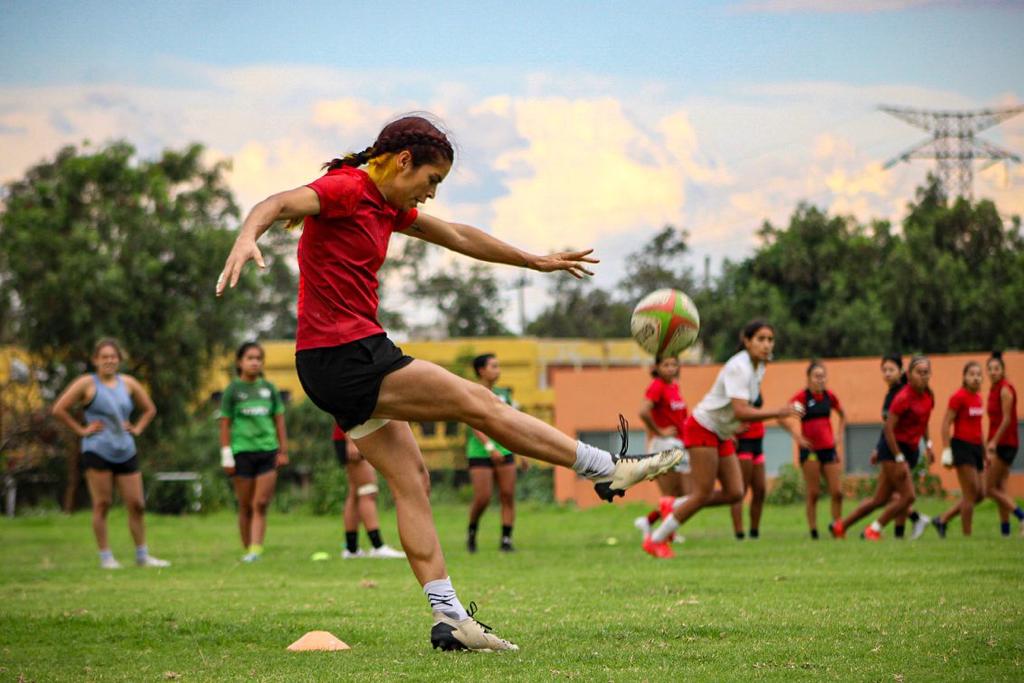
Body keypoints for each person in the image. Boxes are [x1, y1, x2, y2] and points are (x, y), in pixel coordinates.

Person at [215, 114, 682, 652]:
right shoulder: (347, 188)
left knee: (413, 479)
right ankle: (607, 469)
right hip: (346, 355)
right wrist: (247, 236)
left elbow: (457, 235)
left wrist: (533, 260)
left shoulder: (388, 206)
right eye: (431, 180)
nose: (432, 195)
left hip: (333, 361)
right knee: (477, 402)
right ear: (404, 161)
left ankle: (450, 620)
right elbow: (274, 204)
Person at [643, 320, 798, 559]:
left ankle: (673, 505)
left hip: (721, 432)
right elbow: (740, 411)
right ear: (746, 341)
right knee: (702, 493)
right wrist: (779, 412)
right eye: (760, 339)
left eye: (770, 339)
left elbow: (738, 410)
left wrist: (733, 428)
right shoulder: (739, 367)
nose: (766, 345)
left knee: (735, 492)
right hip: (703, 427)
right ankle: (656, 539)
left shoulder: (760, 366)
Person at [51, 339, 169, 569]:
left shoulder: (128, 383)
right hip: (97, 450)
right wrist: (82, 430)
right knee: (102, 503)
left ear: (119, 360)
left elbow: (150, 409)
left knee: (137, 504)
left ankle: (142, 555)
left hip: (125, 449)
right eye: (104, 356)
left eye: (113, 356)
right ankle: (106, 557)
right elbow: (59, 409)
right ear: (95, 360)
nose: (109, 360)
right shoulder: (86, 383)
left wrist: (137, 428)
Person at [835, 356, 935, 541]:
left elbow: (924, 422)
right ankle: (873, 530)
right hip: (893, 450)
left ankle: (841, 526)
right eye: (918, 372)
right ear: (909, 375)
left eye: (926, 372)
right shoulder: (902, 397)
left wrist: (929, 445)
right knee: (908, 497)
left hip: (909, 450)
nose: (922, 376)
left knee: (880, 499)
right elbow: (888, 428)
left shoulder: (929, 396)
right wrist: (898, 457)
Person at [219, 342, 289, 562]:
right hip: (242, 453)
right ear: (240, 362)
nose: (255, 362)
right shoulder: (233, 390)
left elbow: (279, 421)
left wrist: (283, 451)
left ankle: (256, 550)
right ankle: (247, 547)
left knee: (260, 503)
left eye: (258, 358)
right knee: (245, 505)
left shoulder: (269, 389)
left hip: (268, 451)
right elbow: (225, 425)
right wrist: (226, 455)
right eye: (250, 358)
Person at [465, 354, 521, 553]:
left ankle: (506, 540)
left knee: (507, 495)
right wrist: (490, 448)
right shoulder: (472, 392)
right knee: (483, 497)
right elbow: (474, 423)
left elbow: (514, 424)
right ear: (481, 370)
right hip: (480, 452)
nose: (498, 370)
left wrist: (521, 453)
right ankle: (472, 531)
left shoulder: (503, 394)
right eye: (494, 366)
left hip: (505, 450)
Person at [634, 354, 690, 540]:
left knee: (681, 494)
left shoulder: (674, 386)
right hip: (664, 445)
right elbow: (643, 412)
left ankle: (649, 522)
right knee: (670, 494)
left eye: (674, 364)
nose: (671, 368)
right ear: (657, 367)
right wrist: (660, 431)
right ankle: (668, 535)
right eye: (666, 365)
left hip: (679, 444)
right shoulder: (657, 386)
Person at [789, 361, 846, 540]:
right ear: (808, 379)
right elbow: (784, 415)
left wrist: (839, 435)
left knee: (837, 492)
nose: (820, 380)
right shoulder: (802, 398)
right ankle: (814, 531)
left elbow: (843, 415)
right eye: (816, 376)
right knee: (813, 493)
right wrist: (797, 438)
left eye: (823, 376)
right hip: (810, 451)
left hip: (828, 449)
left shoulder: (830, 397)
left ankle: (837, 528)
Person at [333, 425, 406, 558]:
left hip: (349, 436)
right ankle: (377, 546)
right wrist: (351, 441)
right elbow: (344, 408)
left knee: (355, 493)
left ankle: (351, 549)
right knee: (368, 490)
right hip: (352, 437)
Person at [932, 361, 986, 537]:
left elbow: (979, 428)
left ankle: (943, 519)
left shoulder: (978, 398)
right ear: (964, 377)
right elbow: (946, 424)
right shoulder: (958, 397)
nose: (976, 378)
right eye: (972, 374)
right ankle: (967, 536)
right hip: (962, 447)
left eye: (979, 374)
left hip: (977, 448)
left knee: (981, 493)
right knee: (970, 493)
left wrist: (985, 453)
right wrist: (947, 450)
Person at [983, 351, 1024, 536]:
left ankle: (1021, 515)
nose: (993, 372)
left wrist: (994, 442)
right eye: (990, 369)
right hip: (996, 442)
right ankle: (1005, 532)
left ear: (1003, 370)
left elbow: (1007, 419)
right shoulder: (993, 389)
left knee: (988, 488)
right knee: (1000, 488)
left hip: (1006, 443)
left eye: (996, 368)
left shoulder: (1005, 389)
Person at [729, 396, 766, 540]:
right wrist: (731, 430)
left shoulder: (755, 383)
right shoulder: (737, 386)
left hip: (758, 443)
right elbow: (725, 410)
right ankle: (739, 533)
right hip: (744, 443)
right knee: (740, 490)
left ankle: (754, 532)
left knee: (760, 490)